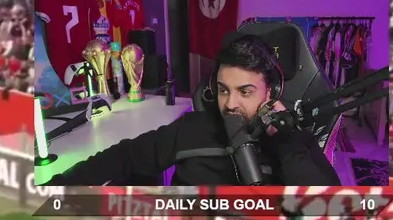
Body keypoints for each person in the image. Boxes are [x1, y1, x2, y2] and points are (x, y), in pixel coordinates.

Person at [46, 35, 340, 186]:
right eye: (223, 89)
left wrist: (287, 143)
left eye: (245, 92)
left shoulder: (294, 143)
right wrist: (53, 190)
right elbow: (125, 156)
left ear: (271, 93)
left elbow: (329, 212)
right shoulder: (192, 128)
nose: (230, 104)